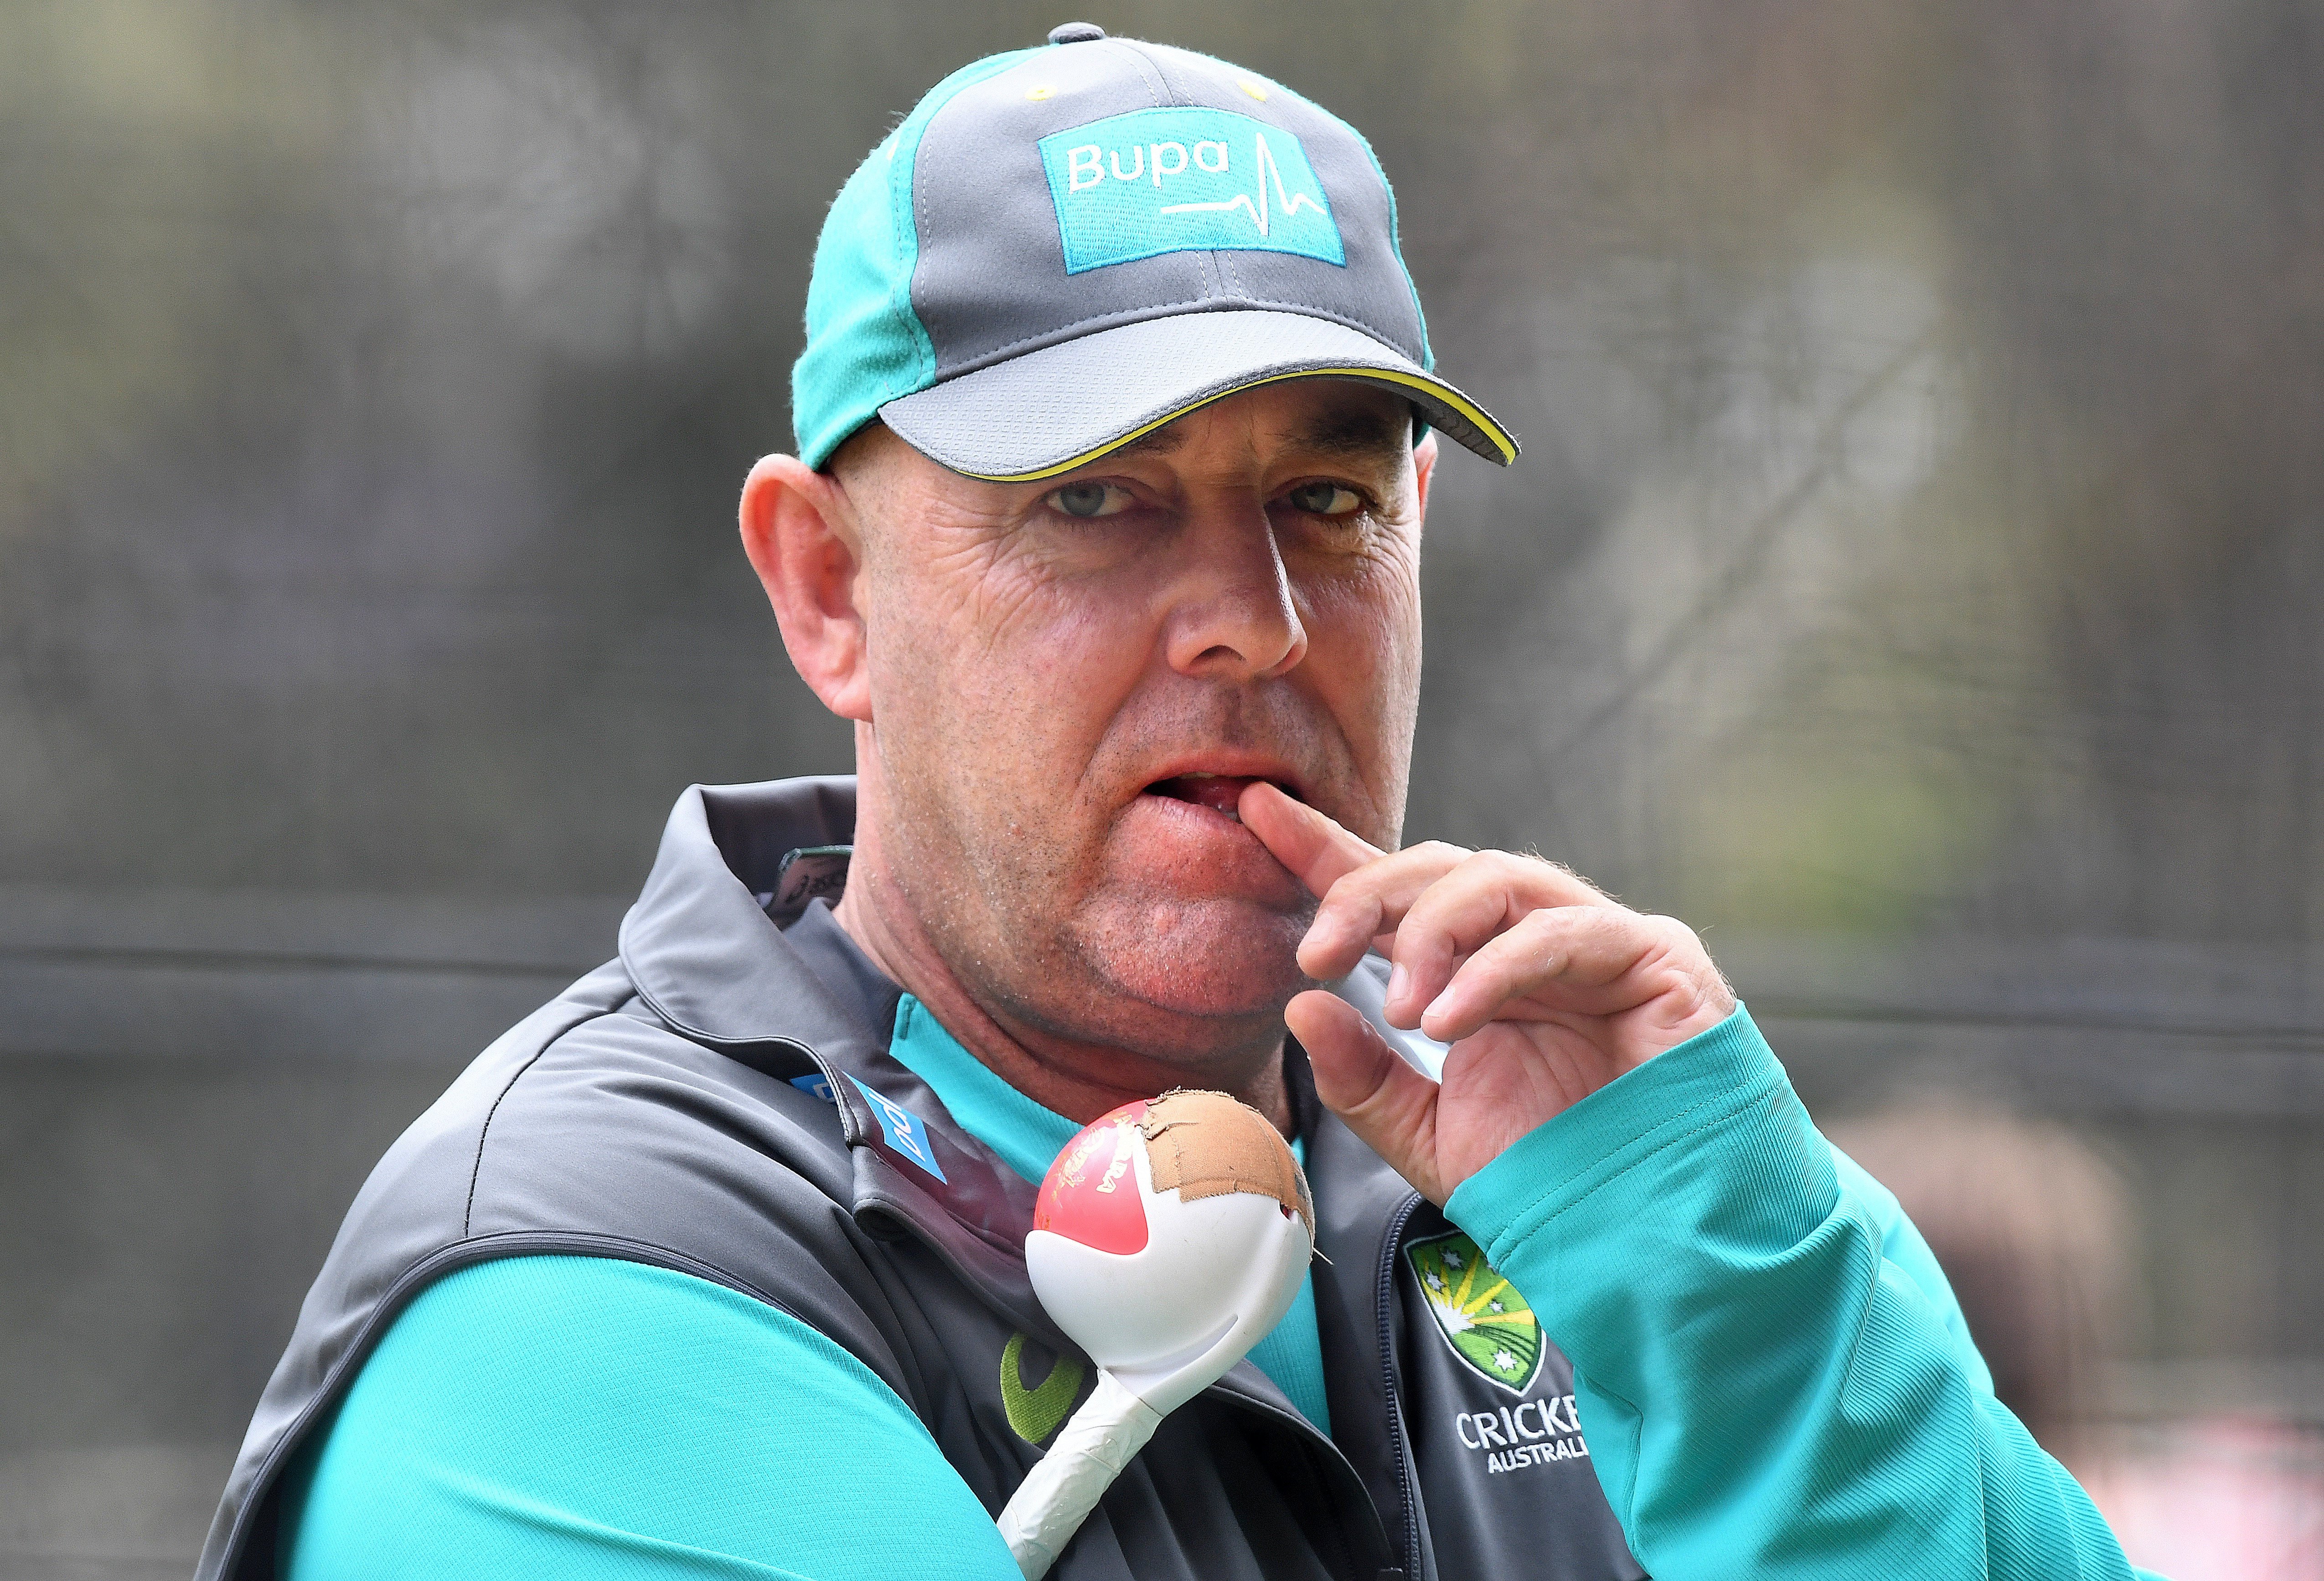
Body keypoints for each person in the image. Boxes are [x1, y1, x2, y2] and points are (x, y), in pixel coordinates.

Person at [198, 25, 2161, 1581]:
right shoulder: (580, 1322)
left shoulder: (1627, 1190)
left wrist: (1725, 1281)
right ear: (825, 589)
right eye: (1092, 497)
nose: (1253, 620)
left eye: (1331, 499)